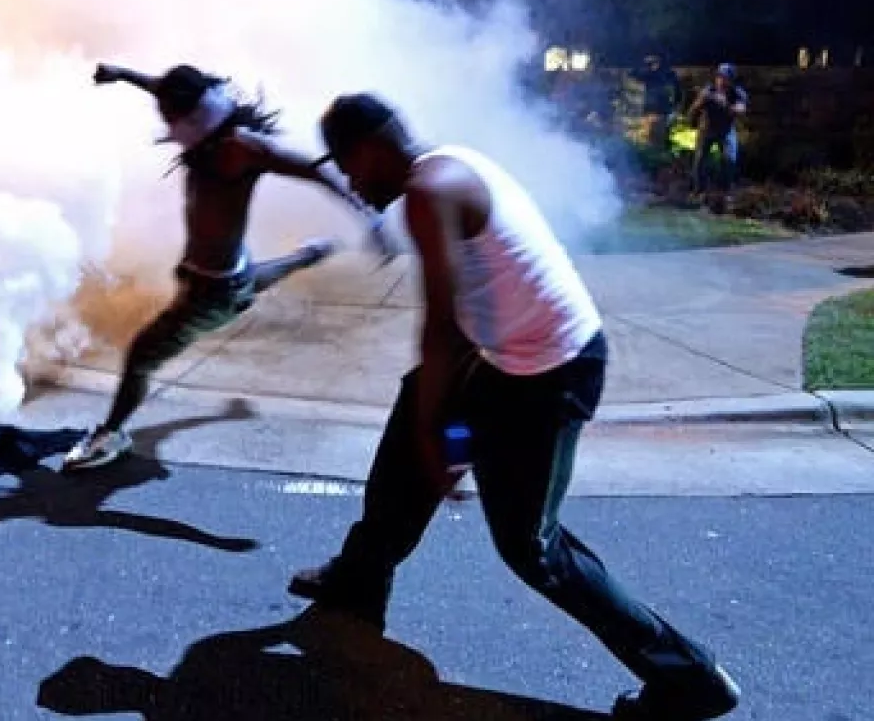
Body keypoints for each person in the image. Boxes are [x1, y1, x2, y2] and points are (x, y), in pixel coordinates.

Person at [288, 93, 742, 720]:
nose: (351, 184)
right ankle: (360, 575)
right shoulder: (446, 165)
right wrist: (439, 433)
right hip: (501, 361)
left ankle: (691, 677)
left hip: (551, 375)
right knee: (414, 424)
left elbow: (441, 326)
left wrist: (440, 438)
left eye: (347, 166)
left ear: (369, 148)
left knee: (533, 547)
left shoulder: (430, 192)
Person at [62, 64, 393, 471]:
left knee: (142, 356)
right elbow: (160, 87)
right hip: (223, 274)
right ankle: (310, 254)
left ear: (192, 116)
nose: (164, 120)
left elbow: (315, 169)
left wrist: (370, 217)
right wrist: (121, 75)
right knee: (247, 283)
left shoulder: (239, 148)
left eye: (170, 115)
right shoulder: (197, 124)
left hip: (210, 291)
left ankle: (109, 434)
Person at [688, 63, 748, 199]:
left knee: (730, 159)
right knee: (700, 160)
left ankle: (724, 191)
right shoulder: (708, 90)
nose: (721, 81)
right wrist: (695, 112)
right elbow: (693, 110)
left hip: (726, 130)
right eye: (719, 77)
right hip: (707, 129)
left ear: (731, 80)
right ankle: (699, 191)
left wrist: (726, 105)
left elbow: (741, 109)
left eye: (725, 78)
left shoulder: (737, 92)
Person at [628, 53, 682, 148]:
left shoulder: (668, 74)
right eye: (652, 62)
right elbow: (632, 73)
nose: (654, 64)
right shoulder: (649, 74)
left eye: (655, 61)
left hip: (661, 113)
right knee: (649, 142)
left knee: (657, 142)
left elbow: (677, 92)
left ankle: (659, 157)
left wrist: (674, 109)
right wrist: (644, 64)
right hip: (650, 112)